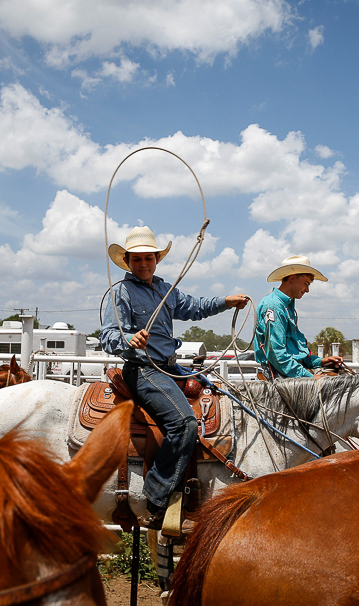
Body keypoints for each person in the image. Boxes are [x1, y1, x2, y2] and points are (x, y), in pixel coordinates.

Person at [100, 226, 248, 528]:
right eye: (137, 259)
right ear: (128, 261)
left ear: (157, 260)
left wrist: (225, 302)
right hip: (144, 369)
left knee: (220, 396)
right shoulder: (121, 293)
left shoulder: (165, 290)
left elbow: (194, 307)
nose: (143, 265)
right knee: (184, 423)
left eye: (148, 259)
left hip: (169, 366)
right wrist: (129, 340)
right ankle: (156, 498)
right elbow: (108, 335)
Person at [253, 255, 342, 378]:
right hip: (280, 376)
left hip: (288, 373)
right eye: (306, 284)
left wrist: (320, 361)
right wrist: (309, 377)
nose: (307, 290)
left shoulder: (286, 306)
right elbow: (277, 355)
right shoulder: (274, 305)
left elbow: (293, 353)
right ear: (292, 278)